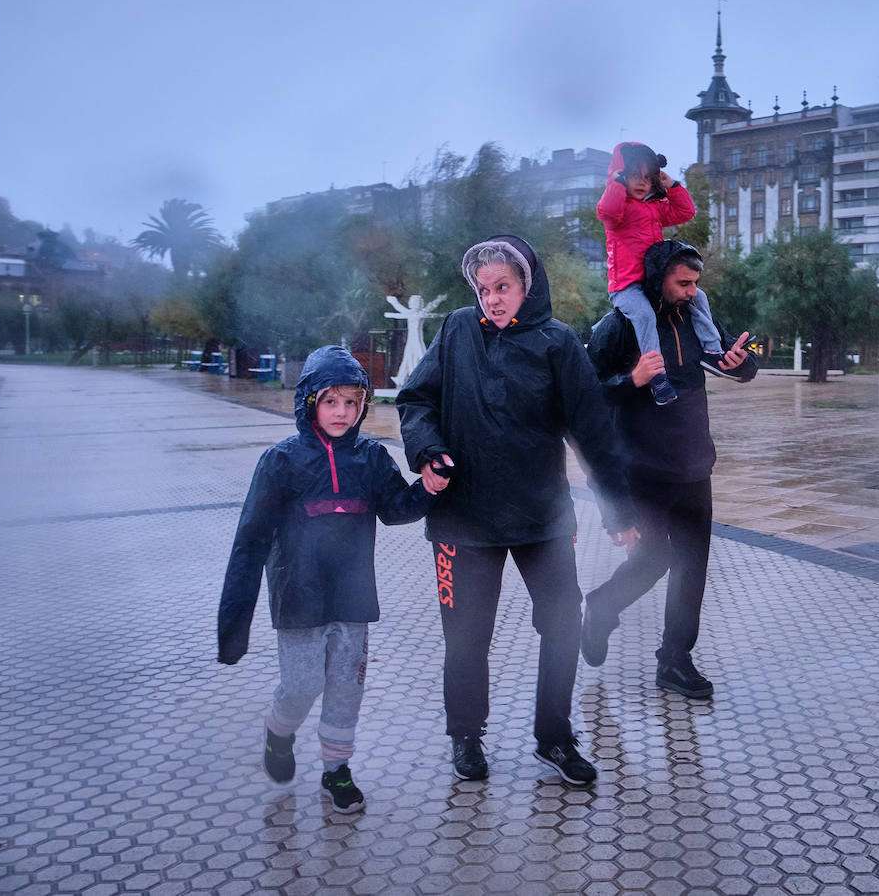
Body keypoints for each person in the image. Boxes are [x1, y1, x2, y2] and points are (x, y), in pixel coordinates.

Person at [396, 235, 639, 787]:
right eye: (483, 290)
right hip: (464, 517)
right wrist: (427, 451)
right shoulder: (458, 330)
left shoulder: (558, 344)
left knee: (561, 625)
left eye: (502, 287)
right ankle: (466, 736)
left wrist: (618, 511)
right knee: (466, 636)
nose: (491, 300)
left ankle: (553, 736)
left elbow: (593, 433)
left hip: (541, 518)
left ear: (527, 285)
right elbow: (415, 400)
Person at [217, 346, 445, 813]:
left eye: (352, 402)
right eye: (330, 401)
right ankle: (278, 732)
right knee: (301, 686)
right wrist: (232, 626)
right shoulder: (280, 462)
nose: (342, 412)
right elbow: (249, 543)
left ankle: (336, 770)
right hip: (298, 597)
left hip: (353, 595)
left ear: (363, 405)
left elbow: (396, 509)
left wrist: (427, 488)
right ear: (309, 404)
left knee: (346, 685)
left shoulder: (371, 457)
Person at [582, 239, 757, 699]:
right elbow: (584, 398)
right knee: (652, 560)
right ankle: (601, 608)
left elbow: (733, 361)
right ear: (657, 278)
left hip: (695, 466)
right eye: (683, 283)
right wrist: (631, 379)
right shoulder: (618, 326)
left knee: (692, 567)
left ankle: (675, 660)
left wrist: (741, 365)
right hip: (642, 471)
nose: (692, 291)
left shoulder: (694, 315)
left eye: (696, 282)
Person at [596, 141, 723, 406]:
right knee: (643, 314)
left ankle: (712, 350)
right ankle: (658, 377)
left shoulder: (654, 207)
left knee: (698, 295)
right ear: (620, 176)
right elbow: (606, 211)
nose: (642, 183)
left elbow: (685, 211)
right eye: (634, 176)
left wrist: (672, 185)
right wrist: (617, 184)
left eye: (647, 177)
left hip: (654, 283)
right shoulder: (618, 211)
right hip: (626, 287)